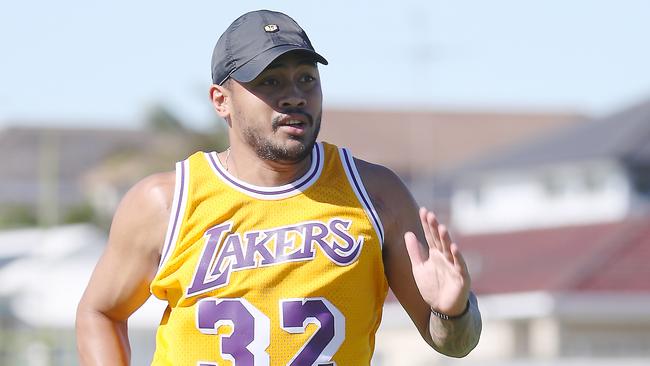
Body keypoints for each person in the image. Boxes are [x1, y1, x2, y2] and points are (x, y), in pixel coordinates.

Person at [76, 9, 481, 365]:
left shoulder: (374, 193)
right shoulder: (166, 203)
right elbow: (100, 313)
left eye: (306, 78)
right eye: (270, 82)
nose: (294, 96)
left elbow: (455, 344)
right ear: (221, 100)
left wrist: (453, 311)